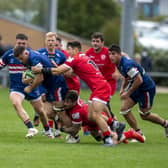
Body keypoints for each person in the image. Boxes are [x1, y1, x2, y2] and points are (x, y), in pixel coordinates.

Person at [31, 41, 125, 146]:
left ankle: (108, 139)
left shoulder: (75, 59)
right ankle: (115, 124)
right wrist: (57, 67)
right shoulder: (83, 57)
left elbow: (57, 72)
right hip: (98, 88)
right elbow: (70, 74)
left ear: (75, 50)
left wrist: (41, 70)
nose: (67, 52)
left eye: (69, 50)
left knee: (96, 115)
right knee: (90, 117)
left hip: (101, 88)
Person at [108, 44, 168, 138]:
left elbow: (139, 80)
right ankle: (138, 133)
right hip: (136, 87)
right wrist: (123, 88)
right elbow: (127, 76)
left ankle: (166, 124)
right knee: (124, 110)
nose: (111, 56)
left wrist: (127, 92)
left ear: (119, 54)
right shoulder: (118, 62)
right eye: (109, 54)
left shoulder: (127, 64)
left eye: (113, 54)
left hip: (145, 89)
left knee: (144, 115)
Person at [0, 33, 53, 138]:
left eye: (23, 43)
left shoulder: (32, 55)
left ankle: (47, 130)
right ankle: (31, 128)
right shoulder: (9, 54)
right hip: (16, 87)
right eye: (19, 43)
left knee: (41, 111)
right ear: (16, 42)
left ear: (27, 43)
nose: (21, 45)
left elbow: (40, 75)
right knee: (16, 103)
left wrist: (31, 85)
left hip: (32, 87)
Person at [13, 45, 70, 132]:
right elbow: (33, 73)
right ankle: (57, 119)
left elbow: (40, 78)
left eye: (21, 58)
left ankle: (74, 134)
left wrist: (30, 88)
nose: (21, 61)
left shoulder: (34, 58)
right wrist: (25, 79)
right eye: (19, 59)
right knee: (47, 112)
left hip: (56, 84)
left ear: (26, 53)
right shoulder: (27, 57)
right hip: (47, 85)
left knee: (61, 112)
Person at [61, 91, 144, 144]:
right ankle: (121, 136)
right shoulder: (75, 102)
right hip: (89, 122)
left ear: (74, 102)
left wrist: (62, 129)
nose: (65, 104)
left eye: (68, 102)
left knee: (111, 140)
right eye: (65, 101)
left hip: (97, 120)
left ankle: (129, 134)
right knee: (98, 138)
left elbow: (75, 130)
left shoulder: (77, 112)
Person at [85, 32, 120, 118]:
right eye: (93, 41)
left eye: (97, 41)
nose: (95, 43)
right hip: (98, 84)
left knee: (104, 103)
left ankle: (112, 122)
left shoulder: (108, 52)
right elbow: (82, 62)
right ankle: (112, 122)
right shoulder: (89, 53)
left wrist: (117, 71)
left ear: (102, 43)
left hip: (109, 83)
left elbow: (119, 58)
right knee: (98, 105)